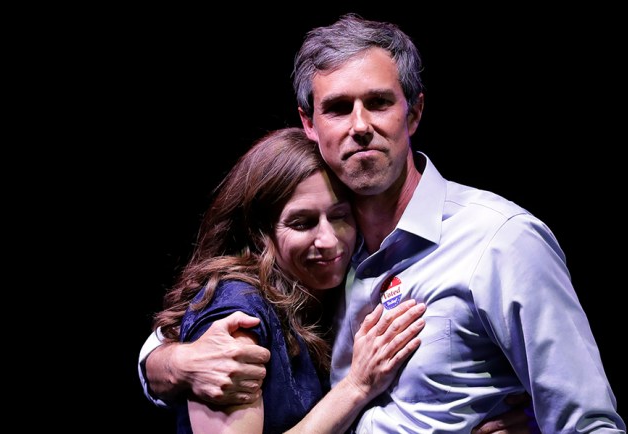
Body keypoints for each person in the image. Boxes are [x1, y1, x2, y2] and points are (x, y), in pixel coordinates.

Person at [141, 13, 626, 433]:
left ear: (413, 112)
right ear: (310, 124)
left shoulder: (501, 242)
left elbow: (587, 420)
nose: (359, 125)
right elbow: (197, 324)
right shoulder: (325, 250)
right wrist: (170, 363)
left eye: (377, 102)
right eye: (337, 107)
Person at [152, 127, 428, 433]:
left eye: (340, 216)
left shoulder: (330, 286)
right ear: (259, 232)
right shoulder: (238, 312)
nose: (328, 239)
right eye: (302, 223)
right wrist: (356, 386)